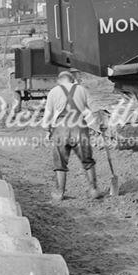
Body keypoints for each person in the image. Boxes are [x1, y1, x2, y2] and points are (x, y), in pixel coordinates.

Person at [44, 70, 102, 201]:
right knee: (87, 160)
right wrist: (100, 126)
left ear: (59, 81)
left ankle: (59, 193)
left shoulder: (53, 92)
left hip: (60, 129)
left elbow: (47, 115)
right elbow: (96, 110)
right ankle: (93, 190)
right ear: (72, 80)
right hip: (79, 128)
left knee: (60, 162)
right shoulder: (82, 90)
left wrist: (47, 130)